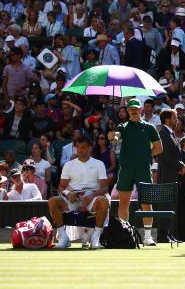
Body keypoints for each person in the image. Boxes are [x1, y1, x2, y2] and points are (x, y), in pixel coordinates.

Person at [110, 99, 162, 246]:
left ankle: (148, 237)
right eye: (131, 108)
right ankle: (124, 234)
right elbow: (116, 137)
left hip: (143, 169)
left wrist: (146, 155)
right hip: (126, 169)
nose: (133, 111)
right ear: (127, 110)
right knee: (124, 203)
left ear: (141, 110)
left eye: (136, 108)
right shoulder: (122, 126)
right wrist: (113, 137)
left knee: (146, 202)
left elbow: (159, 148)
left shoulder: (150, 127)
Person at [48, 137, 109, 249]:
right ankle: (63, 237)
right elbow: (61, 187)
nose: (80, 150)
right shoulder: (68, 165)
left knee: (104, 201)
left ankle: (96, 238)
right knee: (52, 201)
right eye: (78, 147)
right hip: (73, 199)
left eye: (83, 147)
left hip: (92, 199)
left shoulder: (99, 164)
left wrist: (91, 196)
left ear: (90, 148)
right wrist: (68, 193)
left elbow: (105, 188)